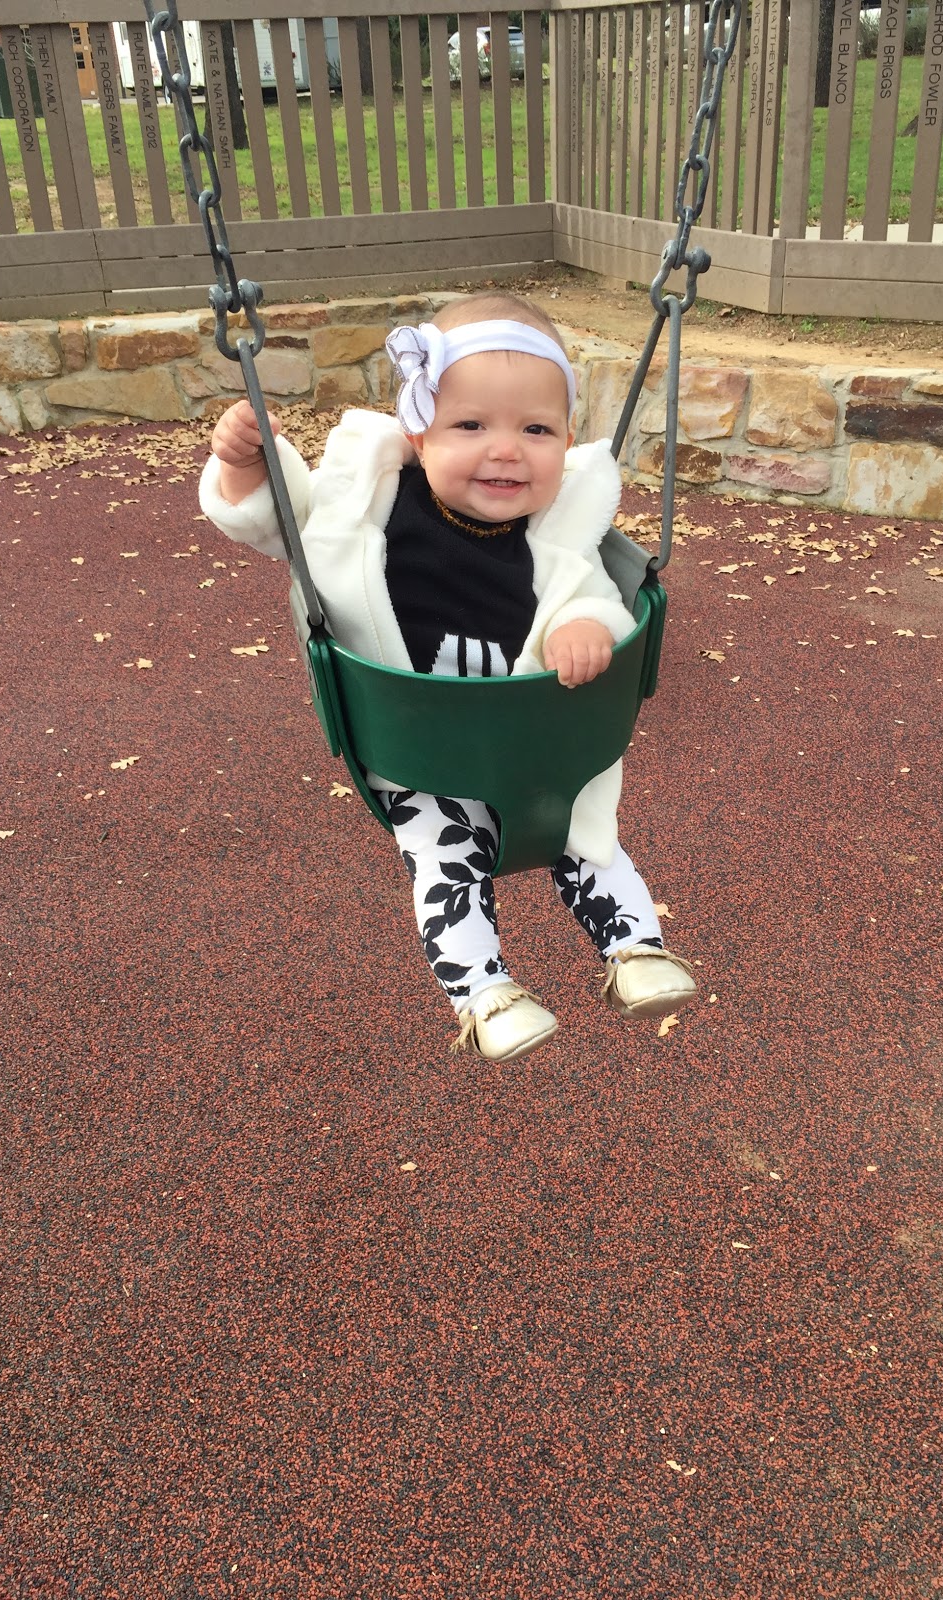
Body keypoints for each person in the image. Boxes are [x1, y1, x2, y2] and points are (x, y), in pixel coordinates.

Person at [199, 290, 698, 1062]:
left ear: (567, 440)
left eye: (536, 430)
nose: (506, 450)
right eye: (470, 426)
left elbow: (593, 594)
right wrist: (244, 467)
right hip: (422, 753)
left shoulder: (559, 529)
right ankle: (484, 993)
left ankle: (636, 950)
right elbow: (281, 523)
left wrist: (584, 629)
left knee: (587, 841)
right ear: (417, 431)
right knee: (444, 860)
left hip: (536, 750)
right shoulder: (368, 506)